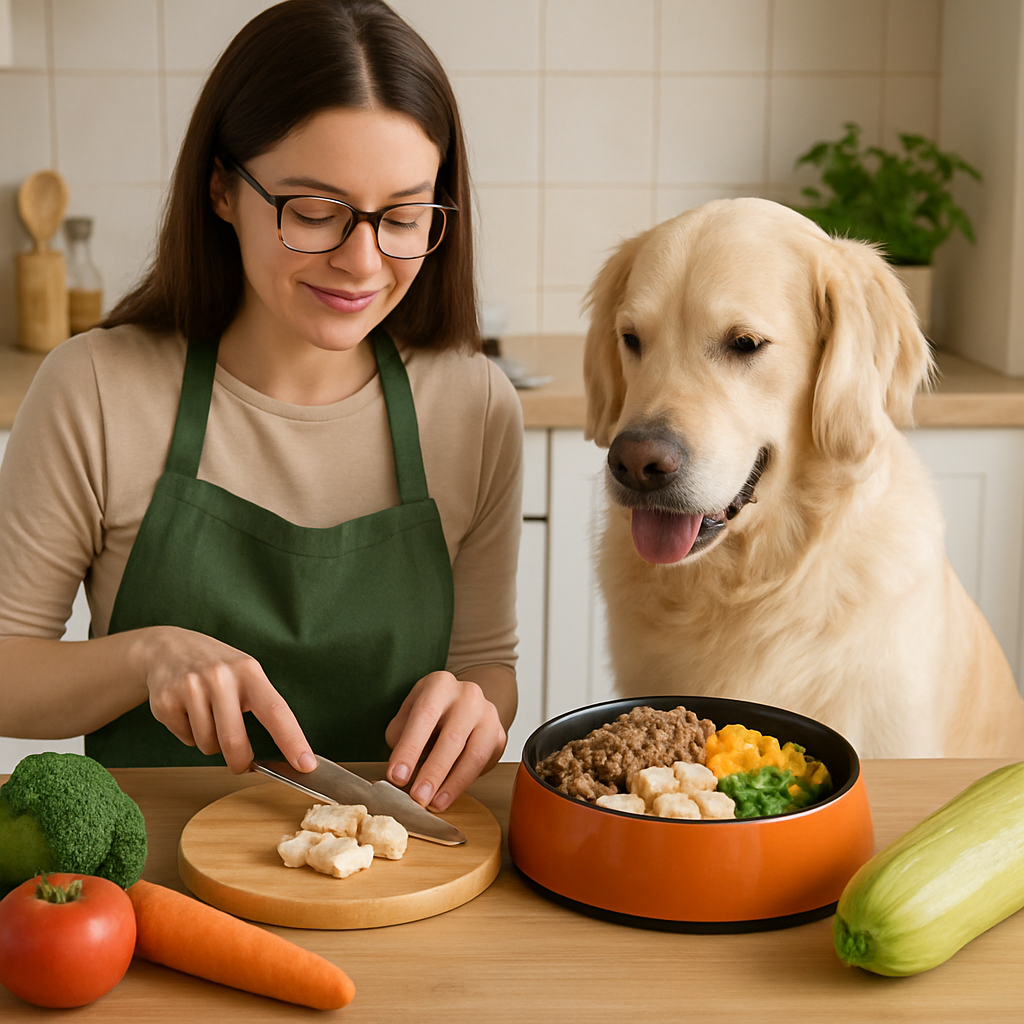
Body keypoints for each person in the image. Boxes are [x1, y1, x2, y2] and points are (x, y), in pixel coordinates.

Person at [0, 0, 522, 813]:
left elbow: (488, 663)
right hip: (151, 868)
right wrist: (146, 656)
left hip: (399, 867)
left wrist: (478, 704)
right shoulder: (95, 387)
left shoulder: (474, 404)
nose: (363, 262)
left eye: (404, 216)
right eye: (314, 212)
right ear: (221, 188)